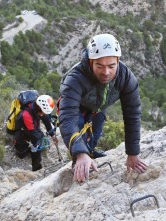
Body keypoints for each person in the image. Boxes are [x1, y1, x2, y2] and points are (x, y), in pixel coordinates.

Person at [58, 33, 147, 182]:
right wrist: (80, 154)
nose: (106, 72)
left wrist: (133, 153)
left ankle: (90, 152)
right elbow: (68, 118)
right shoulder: (75, 79)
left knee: (95, 134)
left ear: (118, 61)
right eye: (99, 66)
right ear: (91, 61)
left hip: (98, 107)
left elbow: (132, 115)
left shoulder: (125, 77)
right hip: (77, 107)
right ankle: (80, 162)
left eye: (111, 66)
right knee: (80, 132)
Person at [14, 94, 58, 171]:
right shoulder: (26, 115)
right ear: (39, 109)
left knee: (37, 143)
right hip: (22, 130)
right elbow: (33, 133)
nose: (44, 114)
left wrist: (52, 135)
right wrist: (42, 140)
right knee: (21, 153)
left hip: (33, 125)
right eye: (43, 113)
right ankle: (24, 151)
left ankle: (36, 167)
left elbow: (46, 121)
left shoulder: (39, 109)